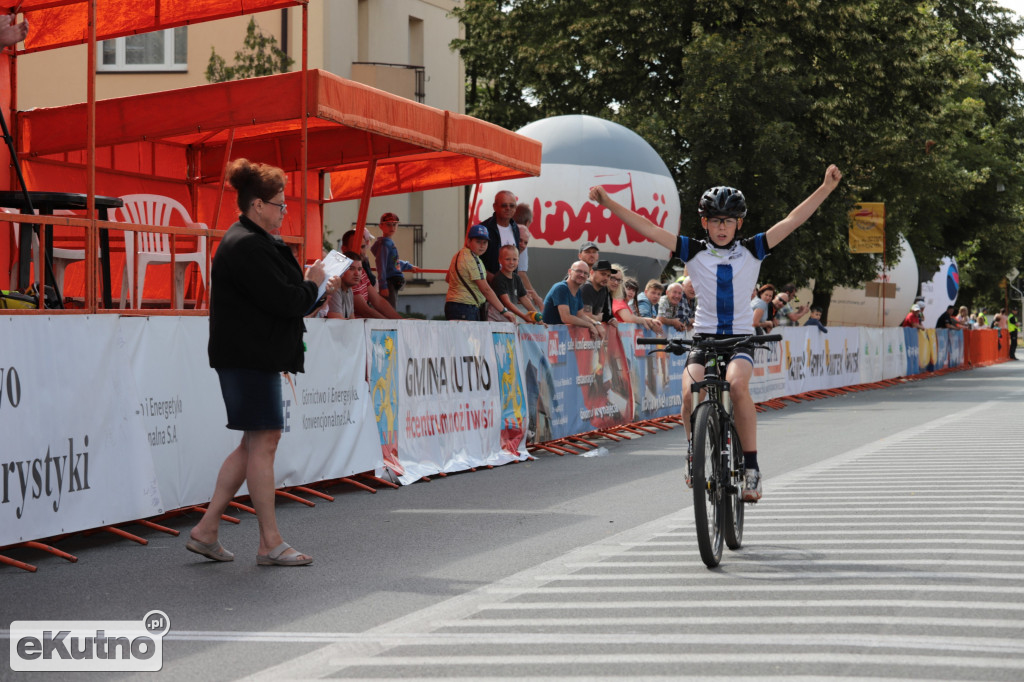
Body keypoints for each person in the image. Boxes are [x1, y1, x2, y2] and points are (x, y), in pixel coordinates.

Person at [590, 164, 843, 502]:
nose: (721, 228)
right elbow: (648, 227)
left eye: (728, 221)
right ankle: (693, 452)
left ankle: (751, 467)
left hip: (740, 339)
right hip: (704, 339)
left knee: (737, 386)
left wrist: (825, 188)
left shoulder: (753, 248)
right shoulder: (692, 250)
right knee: (688, 393)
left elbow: (792, 221)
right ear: (705, 223)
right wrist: (608, 202)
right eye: (714, 221)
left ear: (738, 223)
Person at [191, 158, 327, 567]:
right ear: (257, 205)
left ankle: (206, 530)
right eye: (280, 204)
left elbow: (279, 294)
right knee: (263, 443)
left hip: (247, 355)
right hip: (248, 357)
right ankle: (269, 541)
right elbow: (288, 301)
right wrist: (315, 282)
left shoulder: (246, 239)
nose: (285, 211)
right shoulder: (247, 244)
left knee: (254, 443)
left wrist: (309, 282)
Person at [445, 225, 516, 322]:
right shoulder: (473, 259)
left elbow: (448, 278)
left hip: (452, 305)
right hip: (466, 308)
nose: (482, 245)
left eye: (485, 242)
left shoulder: (458, 255)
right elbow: (486, 289)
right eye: (478, 242)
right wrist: (503, 311)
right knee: (469, 337)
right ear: (469, 242)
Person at [340, 229, 403, 319]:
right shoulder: (343, 273)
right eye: (356, 246)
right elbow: (364, 310)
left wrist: (400, 321)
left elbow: (378, 301)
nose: (361, 251)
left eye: (362, 247)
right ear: (344, 249)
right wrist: (392, 324)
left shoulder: (361, 271)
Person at [542, 260, 604, 338]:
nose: (582, 275)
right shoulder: (561, 288)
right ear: (570, 271)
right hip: (547, 337)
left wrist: (596, 324)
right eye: (579, 271)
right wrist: (590, 325)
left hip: (560, 338)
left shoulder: (578, 292)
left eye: (585, 273)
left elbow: (581, 315)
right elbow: (566, 317)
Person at [371, 212, 417, 309]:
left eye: (394, 224)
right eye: (388, 224)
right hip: (389, 282)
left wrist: (408, 266)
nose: (392, 227)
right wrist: (383, 286)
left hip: (391, 281)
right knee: (390, 310)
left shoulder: (388, 243)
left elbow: (393, 261)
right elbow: (381, 265)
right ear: (381, 226)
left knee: (390, 308)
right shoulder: (384, 244)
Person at [488, 244, 542, 324]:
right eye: (507, 259)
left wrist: (537, 317)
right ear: (500, 260)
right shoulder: (498, 279)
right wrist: (524, 316)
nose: (511, 262)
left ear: (518, 261)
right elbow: (507, 303)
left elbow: (524, 298)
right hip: (496, 320)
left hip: (510, 319)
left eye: (514, 259)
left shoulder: (517, 278)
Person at [475, 190, 522, 278]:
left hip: (508, 287)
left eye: (512, 206)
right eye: (504, 205)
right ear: (494, 207)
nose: (508, 208)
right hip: (487, 286)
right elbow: (474, 262)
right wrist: (494, 280)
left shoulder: (516, 228)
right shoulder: (483, 229)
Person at [608, 265, 662, 332]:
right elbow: (629, 318)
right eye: (613, 278)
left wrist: (648, 320)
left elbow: (632, 318)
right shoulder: (618, 300)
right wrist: (645, 321)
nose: (616, 282)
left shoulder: (622, 302)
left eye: (633, 291)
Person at [512, 203, 545, 309]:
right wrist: (535, 296)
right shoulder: (522, 235)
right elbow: (521, 272)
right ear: (527, 222)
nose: (522, 245)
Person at [326, 252, 365, 320]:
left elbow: (352, 320)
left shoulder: (349, 290)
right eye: (352, 269)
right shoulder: (333, 289)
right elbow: (337, 322)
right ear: (341, 269)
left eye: (359, 269)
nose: (357, 273)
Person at [579, 259, 618, 326]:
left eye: (608, 276)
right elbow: (586, 316)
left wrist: (612, 319)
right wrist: (598, 318)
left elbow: (606, 315)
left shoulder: (604, 289)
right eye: (603, 274)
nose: (606, 278)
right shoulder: (586, 287)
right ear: (591, 272)